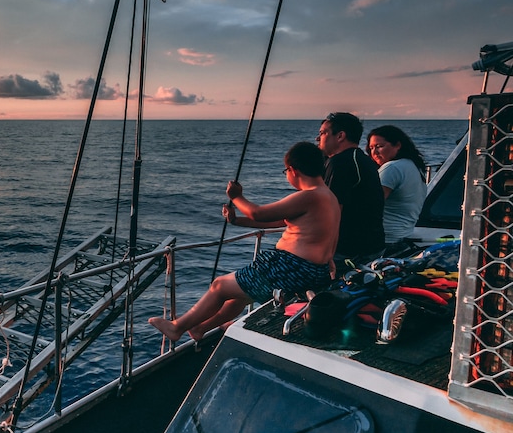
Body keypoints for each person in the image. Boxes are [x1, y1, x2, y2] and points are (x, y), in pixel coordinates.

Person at [149, 142, 339, 343]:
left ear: (293, 170)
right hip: (313, 271)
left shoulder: (309, 196)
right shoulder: (328, 197)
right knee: (240, 295)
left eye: (286, 171)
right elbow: (279, 220)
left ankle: (177, 328)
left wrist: (236, 197)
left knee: (220, 286)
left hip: (291, 269)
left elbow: (259, 213)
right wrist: (237, 220)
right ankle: (200, 328)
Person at [316, 112, 384, 265]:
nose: (318, 138)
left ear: (340, 136)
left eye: (322, 133)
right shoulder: (362, 159)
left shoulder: (340, 163)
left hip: (348, 252)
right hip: (371, 246)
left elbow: (332, 212)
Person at [366, 125, 427, 247]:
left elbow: (370, 206)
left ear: (398, 145)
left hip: (384, 240)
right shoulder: (414, 167)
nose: (374, 152)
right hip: (402, 237)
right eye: (371, 148)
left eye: (379, 146)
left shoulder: (392, 168)